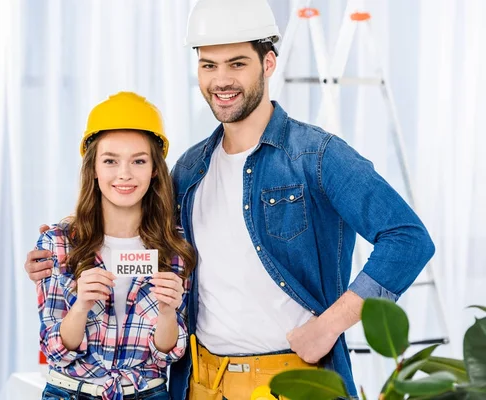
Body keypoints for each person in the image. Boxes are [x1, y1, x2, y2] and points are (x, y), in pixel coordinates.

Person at [27, 1, 435, 399]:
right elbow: (136, 220)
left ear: (268, 63)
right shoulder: (189, 169)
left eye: (237, 63)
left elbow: (407, 238)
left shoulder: (317, 156)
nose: (221, 80)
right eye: (208, 65)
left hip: (290, 381)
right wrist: (66, 241)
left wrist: (330, 326)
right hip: (200, 382)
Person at [36, 91, 196, 400]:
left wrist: (167, 312)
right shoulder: (57, 243)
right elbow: (55, 349)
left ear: (154, 170)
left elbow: (167, 355)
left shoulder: (176, 246)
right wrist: (80, 306)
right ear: (93, 168)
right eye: (111, 161)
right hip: (70, 392)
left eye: (138, 161)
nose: (124, 174)